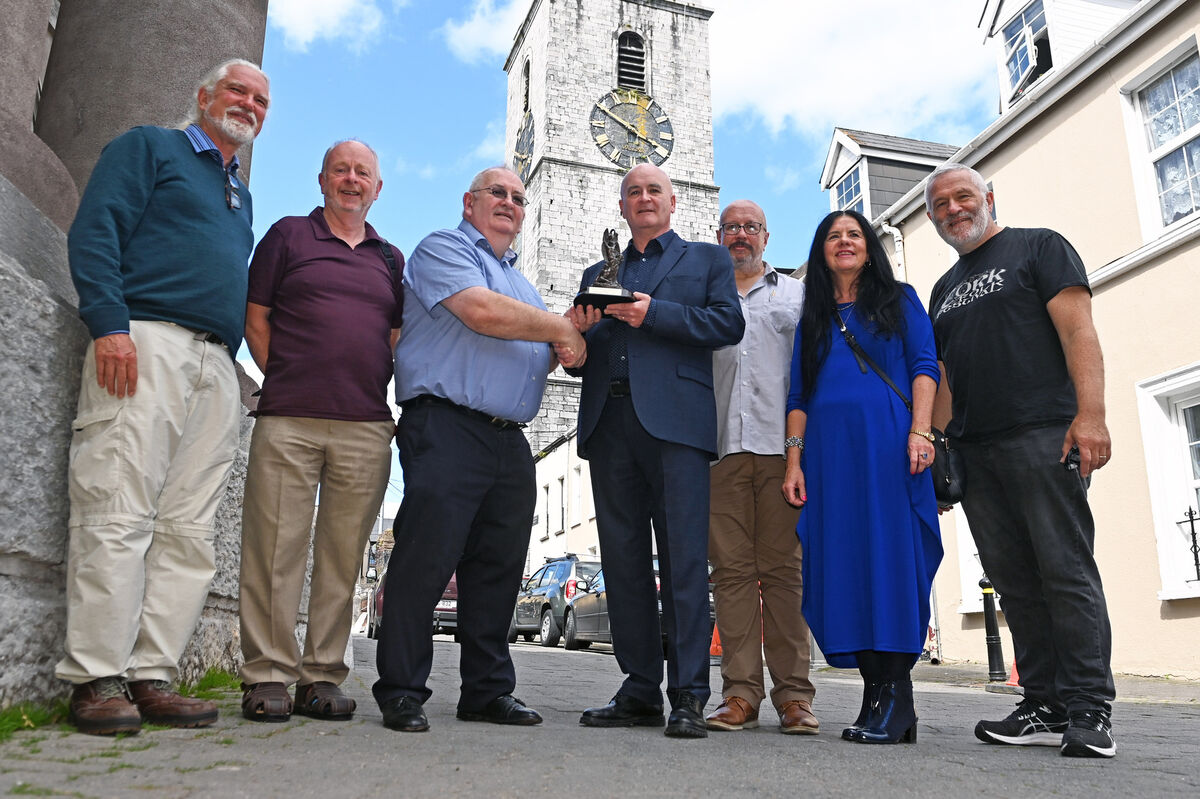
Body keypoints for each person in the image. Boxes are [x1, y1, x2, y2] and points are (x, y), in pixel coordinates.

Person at [57, 59, 270, 735]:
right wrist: (110, 324)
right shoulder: (150, 146)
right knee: (118, 502)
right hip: (145, 340)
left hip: (214, 362)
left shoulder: (240, 190)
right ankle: (96, 677)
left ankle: (154, 673)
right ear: (203, 96)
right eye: (237, 90)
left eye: (261, 99)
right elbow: (97, 230)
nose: (249, 103)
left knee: (188, 527)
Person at [372, 167, 586, 733]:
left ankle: (486, 691)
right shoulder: (443, 248)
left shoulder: (524, 287)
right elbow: (482, 313)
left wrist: (572, 342)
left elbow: (543, 351)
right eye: (498, 194)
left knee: (497, 571)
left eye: (519, 198)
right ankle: (401, 689)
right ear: (469, 203)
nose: (510, 204)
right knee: (426, 560)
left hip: (509, 439)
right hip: (446, 425)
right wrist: (560, 330)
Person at [925, 163, 1116, 759]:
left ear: (988, 197)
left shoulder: (1039, 247)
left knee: (1065, 572)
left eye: (963, 197)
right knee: (1014, 582)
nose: (953, 209)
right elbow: (947, 375)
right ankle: (1043, 701)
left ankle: (1089, 708)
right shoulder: (943, 288)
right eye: (940, 205)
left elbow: (1079, 331)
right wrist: (938, 444)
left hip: (1043, 434)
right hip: (976, 450)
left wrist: (1091, 415)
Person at [566, 164, 744, 739]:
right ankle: (640, 687)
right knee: (623, 568)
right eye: (633, 193)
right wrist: (573, 341)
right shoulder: (599, 270)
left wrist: (654, 313)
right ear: (622, 207)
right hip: (609, 425)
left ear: (672, 204)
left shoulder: (707, 260)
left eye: (653, 192)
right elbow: (587, 342)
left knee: (685, 563)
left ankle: (688, 695)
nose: (643, 199)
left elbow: (728, 323)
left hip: (676, 430)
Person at [238, 140, 402, 723]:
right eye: (342, 170)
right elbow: (255, 317)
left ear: (377, 188)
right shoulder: (287, 236)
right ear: (322, 180)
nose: (352, 180)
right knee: (275, 550)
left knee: (342, 557)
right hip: (288, 419)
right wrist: (281, 375)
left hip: (364, 427)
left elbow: (394, 340)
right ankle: (267, 675)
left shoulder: (390, 258)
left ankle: (323, 676)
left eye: (363, 173)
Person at [781, 209, 942, 745]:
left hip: (887, 448)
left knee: (890, 564)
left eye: (854, 235)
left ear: (870, 248)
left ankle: (897, 697)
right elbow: (798, 397)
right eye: (833, 236)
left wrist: (922, 433)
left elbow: (925, 366)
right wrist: (794, 460)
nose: (844, 242)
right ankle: (878, 697)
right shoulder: (814, 318)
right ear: (820, 251)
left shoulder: (900, 299)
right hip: (830, 459)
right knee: (847, 566)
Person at [704, 201, 817, 735]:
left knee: (784, 576)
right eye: (732, 228)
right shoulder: (704, 295)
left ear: (766, 237)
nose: (741, 235)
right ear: (719, 235)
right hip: (720, 451)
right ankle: (741, 695)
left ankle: (795, 697)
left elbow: (814, 373)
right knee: (731, 574)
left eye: (750, 228)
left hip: (782, 451)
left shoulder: (796, 295)